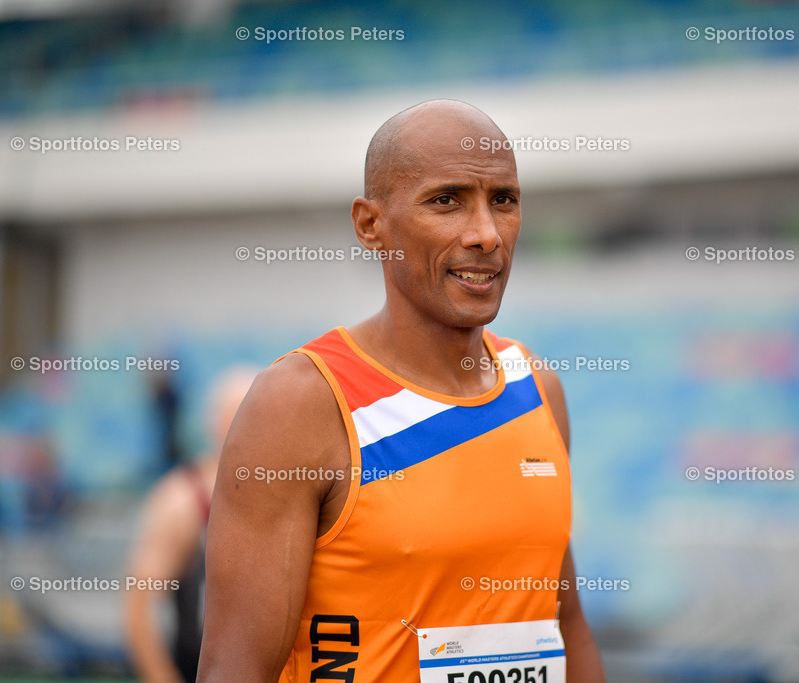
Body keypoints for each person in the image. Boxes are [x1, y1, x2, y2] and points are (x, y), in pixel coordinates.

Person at [198, 100, 606, 682]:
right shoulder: (300, 405)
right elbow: (234, 672)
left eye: (504, 201)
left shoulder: (536, 385)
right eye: (446, 201)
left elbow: (567, 628)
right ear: (371, 225)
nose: (486, 235)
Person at [124, 367, 257, 683]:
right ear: (220, 423)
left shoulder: (286, 492)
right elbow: (138, 607)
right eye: (246, 416)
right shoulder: (182, 500)